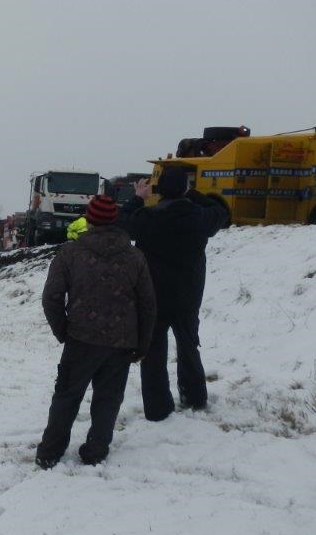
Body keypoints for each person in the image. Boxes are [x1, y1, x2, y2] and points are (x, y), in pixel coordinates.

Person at [36, 195, 156, 469]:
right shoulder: (134, 256)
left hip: (81, 338)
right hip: (121, 342)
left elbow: (51, 298)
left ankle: (50, 452)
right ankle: (96, 449)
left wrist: (63, 330)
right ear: (115, 220)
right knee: (109, 398)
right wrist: (142, 343)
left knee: (67, 395)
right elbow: (148, 303)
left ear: (88, 220)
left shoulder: (70, 253)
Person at [120, 168, 228, 420]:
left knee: (153, 350)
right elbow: (221, 211)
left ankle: (157, 408)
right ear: (184, 189)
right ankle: (194, 397)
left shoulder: (147, 217)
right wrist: (194, 194)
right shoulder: (199, 216)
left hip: (152, 294)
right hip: (188, 294)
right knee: (189, 345)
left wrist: (138, 197)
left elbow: (122, 222)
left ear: (160, 191)